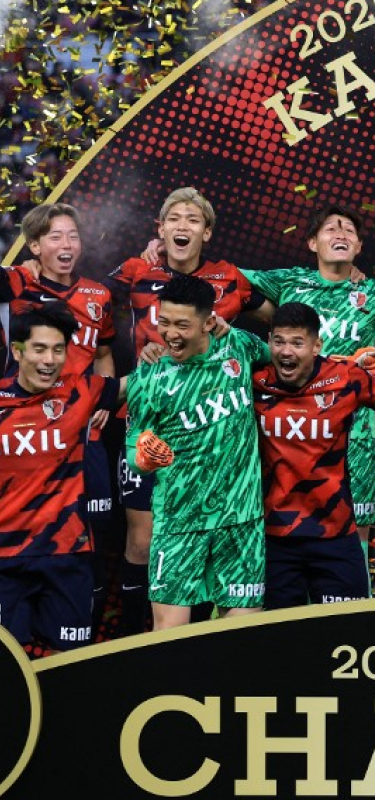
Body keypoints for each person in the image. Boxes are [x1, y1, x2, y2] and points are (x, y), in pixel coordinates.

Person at [109, 187, 264, 634]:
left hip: (211, 436)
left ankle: (187, 640)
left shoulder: (229, 279)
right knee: (142, 541)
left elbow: (278, 326)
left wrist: (230, 338)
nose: (183, 226)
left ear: (207, 232)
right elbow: (87, 302)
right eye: (173, 218)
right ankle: (129, 641)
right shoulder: (138, 272)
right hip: (148, 423)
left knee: (200, 540)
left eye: (192, 219)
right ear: (160, 229)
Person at [240, 205, 375, 545]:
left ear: (358, 248)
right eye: (330, 228)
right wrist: (167, 256)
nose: (340, 233)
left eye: (349, 231)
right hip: (289, 436)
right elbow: (224, 277)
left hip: (350, 435)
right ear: (312, 243)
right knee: (284, 536)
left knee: (354, 541)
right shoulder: (289, 282)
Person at [123, 275, 271, 630]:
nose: (170, 333)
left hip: (241, 519)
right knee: (168, 640)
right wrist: (143, 458)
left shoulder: (239, 345)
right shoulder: (149, 376)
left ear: (208, 322)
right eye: (164, 322)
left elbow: (279, 361)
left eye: (182, 325)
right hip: (178, 524)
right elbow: (133, 453)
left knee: (241, 638)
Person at [253, 303, 375, 609]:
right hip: (272, 539)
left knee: (346, 635)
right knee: (275, 644)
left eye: (297, 343)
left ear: (317, 345)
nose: (286, 352)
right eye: (278, 341)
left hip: (335, 535)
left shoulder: (346, 378)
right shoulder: (254, 381)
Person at [7, 203, 117, 624]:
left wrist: (103, 400)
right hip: (28, 433)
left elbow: (104, 353)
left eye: (72, 235)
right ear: (35, 245)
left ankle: (84, 621)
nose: (67, 244)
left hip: (81, 432)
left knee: (93, 530)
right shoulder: (18, 287)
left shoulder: (98, 294)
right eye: (55, 237)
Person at [0, 305, 121, 652]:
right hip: (6, 560)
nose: (49, 360)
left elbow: (144, 383)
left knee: (73, 668)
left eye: (58, 350)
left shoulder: (81, 392)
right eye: (39, 349)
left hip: (67, 557)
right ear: (17, 350)